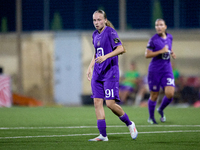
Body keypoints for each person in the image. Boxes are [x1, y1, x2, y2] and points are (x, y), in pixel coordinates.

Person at [86, 10, 138, 141]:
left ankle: (130, 124)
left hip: (110, 73)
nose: (96, 23)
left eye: (99, 20)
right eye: (94, 20)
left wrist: (106, 57)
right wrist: (90, 67)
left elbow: (120, 48)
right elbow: (96, 53)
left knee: (110, 104)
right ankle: (103, 135)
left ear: (104, 20)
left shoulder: (110, 31)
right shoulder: (94, 35)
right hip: (98, 73)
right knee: (97, 102)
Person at [145, 19, 176, 124]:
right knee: (154, 95)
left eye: (160, 25)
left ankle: (161, 109)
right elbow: (147, 55)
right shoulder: (153, 40)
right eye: (156, 25)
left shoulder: (170, 37)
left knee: (170, 94)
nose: (158, 27)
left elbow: (168, 48)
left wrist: (172, 52)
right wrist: (160, 51)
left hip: (167, 70)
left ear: (165, 26)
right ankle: (151, 117)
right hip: (155, 71)